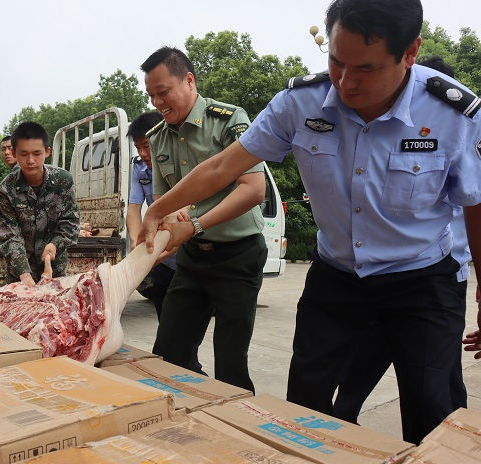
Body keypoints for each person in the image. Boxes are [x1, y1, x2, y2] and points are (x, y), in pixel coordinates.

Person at [138, 0, 481, 444]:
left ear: (410, 52)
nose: (346, 81)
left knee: (433, 409)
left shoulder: (454, 114)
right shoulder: (300, 103)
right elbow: (224, 165)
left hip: (423, 280)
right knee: (305, 404)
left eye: (366, 68)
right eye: (337, 61)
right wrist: (157, 209)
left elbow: (476, 204)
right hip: (336, 277)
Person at [332, 55, 470, 422]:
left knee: (437, 393)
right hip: (382, 279)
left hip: (442, 285)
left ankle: (444, 446)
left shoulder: (462, 130)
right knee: (352, 384)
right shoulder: (387, 131)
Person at [141, 46, 268, 391]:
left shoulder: (228, 120)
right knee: (168, 354)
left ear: (189, 80)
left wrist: (194, 223)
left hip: (239, 254)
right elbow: (163, 203)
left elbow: (254, 190)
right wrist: (165, 226)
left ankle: (238, 419)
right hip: (193, 257)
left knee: (230, 363)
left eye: (163, 92)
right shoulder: (157, 137)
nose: (157, 103)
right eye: (151, 95)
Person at [0, 122, 80, 285]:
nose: (30, 160)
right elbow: (10, 236)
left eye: (36, 153)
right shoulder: (6, 190)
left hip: (54, 272)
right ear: (14, 153)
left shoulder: (63, 181)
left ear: (47, 152)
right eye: (24, 154)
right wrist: (24, 274)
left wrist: (54, 245)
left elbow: (71, 223)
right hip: (20, 276)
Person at [126, 111, 177, 318]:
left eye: (147, 146)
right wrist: (135, 242)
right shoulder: (140, 169)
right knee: (165, 320)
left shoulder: (180, 162)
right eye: (138, 148)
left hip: (188, 254)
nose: (143, 154)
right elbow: (133, 209)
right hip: (162, 258)